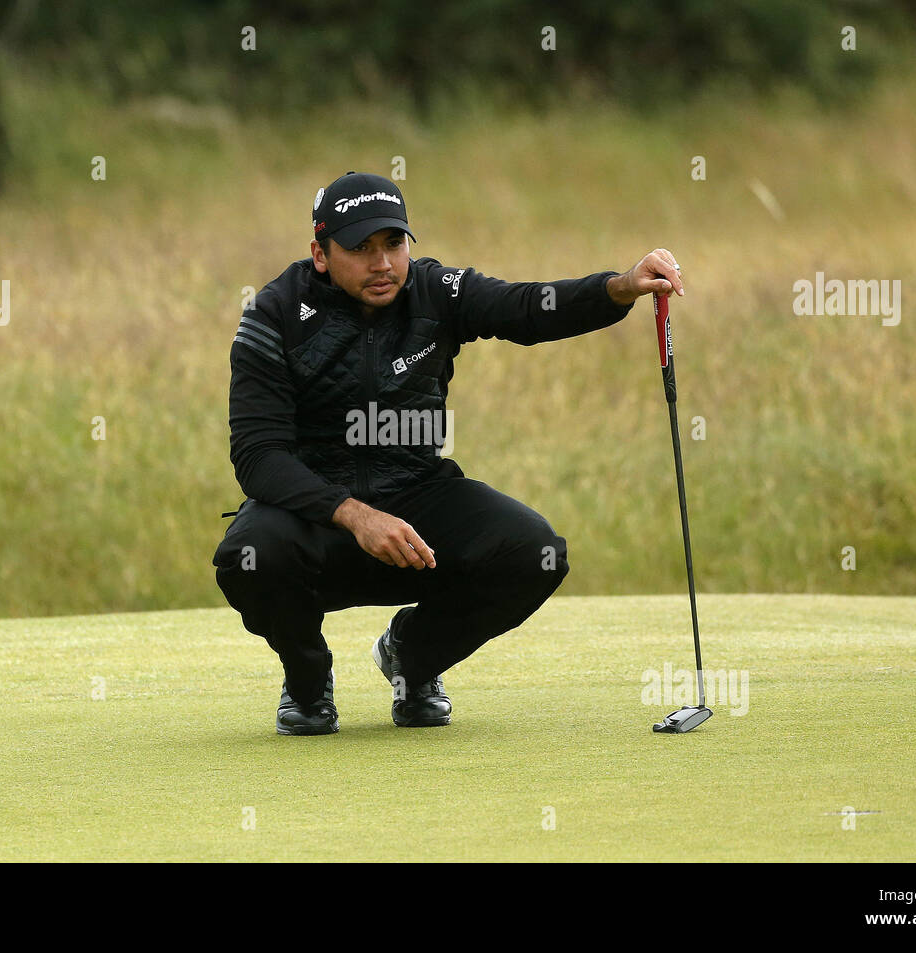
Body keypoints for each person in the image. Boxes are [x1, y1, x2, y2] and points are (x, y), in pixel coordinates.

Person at [213, 170, 684, 735]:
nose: (382, 263)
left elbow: (528, 308)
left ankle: (413, 661)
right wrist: (355, 516)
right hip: (313, 516)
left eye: (393, 244)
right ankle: (308, 681)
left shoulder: (437, 292)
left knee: (535, 553)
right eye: (360, 249)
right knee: (250, 554)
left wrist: (622, 285)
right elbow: (258, 456)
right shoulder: (274, 313)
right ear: (320, 252)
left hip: (416, 493)